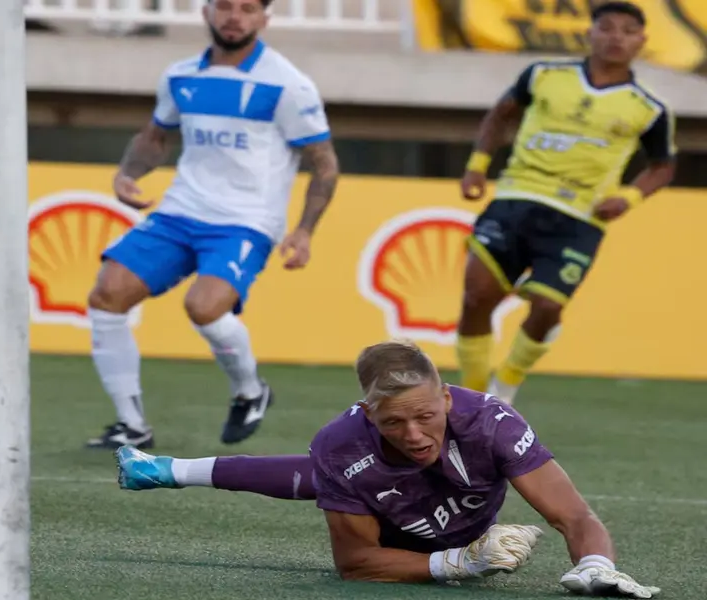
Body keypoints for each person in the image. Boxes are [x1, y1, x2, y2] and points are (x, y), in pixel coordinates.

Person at [114, 340, 661, 597]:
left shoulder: (493, 422)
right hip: (400, 539)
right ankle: (165, 469)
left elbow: (572, 514)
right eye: (395, 422)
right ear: (368, 411)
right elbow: (354, 564)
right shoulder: (342, 444)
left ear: (447, 398)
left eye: (426, 415)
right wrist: (462, 565)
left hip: (454, 515)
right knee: (319, 470)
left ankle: (164, 468)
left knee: (314, 473)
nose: (415, 434)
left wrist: (594, 566)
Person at [84, 0, 340, 450]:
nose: (234, 16)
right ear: (206, 12)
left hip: (245, 222)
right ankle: (132, 426)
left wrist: (303, 231)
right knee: (107, 295)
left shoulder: (287, 84)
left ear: (264, 18)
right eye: (224, 6)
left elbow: (324, 164)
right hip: (180, 212)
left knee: (204, 307)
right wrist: (128, 173)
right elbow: (154, 136)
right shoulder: (180, 75)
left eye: (246, 8)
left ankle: (250, 391)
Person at [455, 1, 677, 405]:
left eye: (628, 31)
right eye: (606, 28)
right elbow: (500, 115)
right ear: (589, 33)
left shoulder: (648, 109)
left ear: (641, 41)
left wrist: (627, 198)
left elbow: (663, 167)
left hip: (578, 217)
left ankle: (505, 386)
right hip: (515, 198)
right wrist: (477, 165)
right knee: (476, 297)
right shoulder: (543, 75)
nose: (616, 37)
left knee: (546, 305)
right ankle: (472, 397)